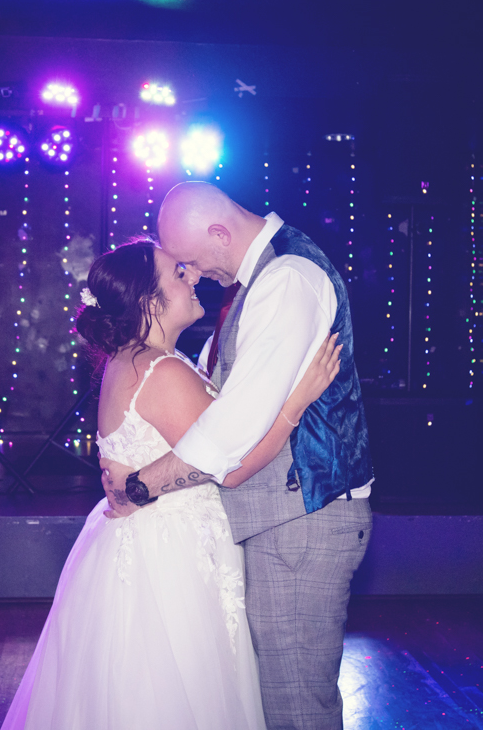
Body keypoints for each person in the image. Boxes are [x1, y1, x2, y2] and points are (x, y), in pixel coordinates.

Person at [0, 239, 342, 730]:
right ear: (148, 301)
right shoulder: (161, 371)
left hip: (146, 542)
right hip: (171, 556)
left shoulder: (134, 360)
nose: (193, 277)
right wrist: (298, 401)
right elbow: (234, 467)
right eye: (178, 274)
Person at [102, 182, 375, 730]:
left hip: (301, 521)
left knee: (295, 706)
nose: (195, 274)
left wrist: (141, 484)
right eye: (180, 271)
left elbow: (232, 433)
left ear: (219, 234)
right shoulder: (256, 287)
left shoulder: (286, 278)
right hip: (272, 522)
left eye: (190, 262)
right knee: (278, 699)